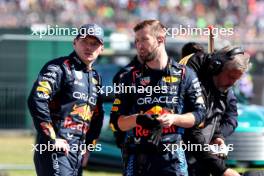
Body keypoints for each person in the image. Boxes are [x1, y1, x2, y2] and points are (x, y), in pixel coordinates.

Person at [110, 19, 206, 176]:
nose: (139, 45)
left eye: (144, 39)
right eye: (136, 41)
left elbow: (200, 115)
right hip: (138, 156)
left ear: (161, 39)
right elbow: (116, 122)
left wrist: (173, 119)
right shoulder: (128, 77)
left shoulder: (185, 74)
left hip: (173, 156)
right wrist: (139, 119)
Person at [28, 23, 105, 176]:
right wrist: (51, 138)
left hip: (76, 153)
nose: (89, 47)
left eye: (94, 44)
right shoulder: (59, 68)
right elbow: (37, 99)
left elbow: (97, 115)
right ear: (75, 42)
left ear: (101, 48)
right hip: (55, 149)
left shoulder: (95, 78)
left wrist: (89, 146)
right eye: (84, 42)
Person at [180, 45, 250, 176]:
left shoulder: (222, 89)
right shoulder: (191, 86)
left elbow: (219, 117)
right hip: (182, 162)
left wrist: (218, 136)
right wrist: (222, 170)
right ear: (216, 68)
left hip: (202, 162)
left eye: (236, 79)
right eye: (230, 77)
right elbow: (192, 133)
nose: (232, 83)